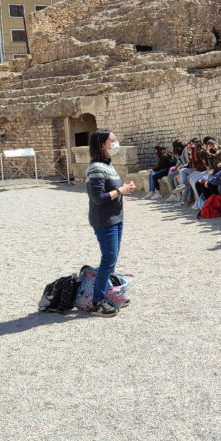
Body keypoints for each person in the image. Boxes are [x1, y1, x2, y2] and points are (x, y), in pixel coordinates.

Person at [85, 130, 135, 317]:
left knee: (111, 261)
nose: (116, 143)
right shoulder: (96, 168)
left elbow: (112, 189)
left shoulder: (107, 165)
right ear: (102, 145)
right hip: (105, 220)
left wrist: (124, 188)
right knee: (108, 260)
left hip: (115, 218)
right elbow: (98, 198)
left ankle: (107, 294)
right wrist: (121, 190)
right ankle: (97, 302)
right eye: (112, 141)